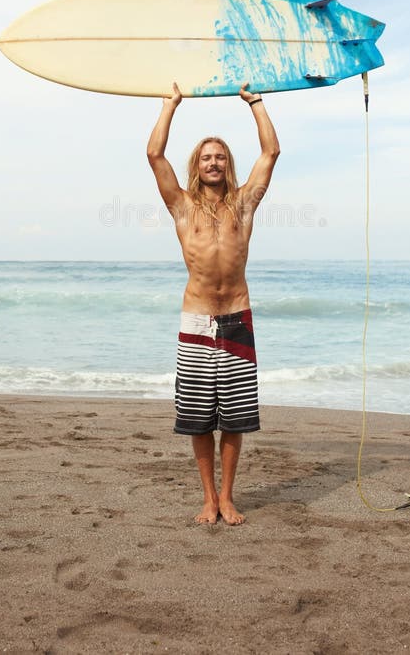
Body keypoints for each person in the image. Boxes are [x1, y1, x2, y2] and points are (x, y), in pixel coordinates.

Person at [147, 81, 280, 524]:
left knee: (236, 420)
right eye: (206, 157)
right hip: (197, 323)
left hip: (237, 320)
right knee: (199, 421)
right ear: (197, 165)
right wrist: (170, 107)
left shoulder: (243, 206)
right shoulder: (182, 207)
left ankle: (227, 496)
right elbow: (154, 156)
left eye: (220, 157)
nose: (214, 162)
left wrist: (255, 102)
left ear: (228, 164)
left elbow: (271, 153)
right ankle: (207, 498)